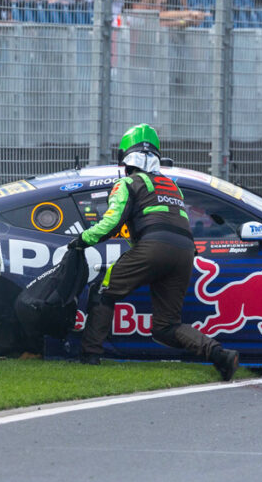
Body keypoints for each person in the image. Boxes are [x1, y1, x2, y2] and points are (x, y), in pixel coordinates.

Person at [70, 124, 240, 381]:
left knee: (104, 291)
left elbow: (111, 223)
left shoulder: (127, 183)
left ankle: (89, 356)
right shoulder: (172, 186)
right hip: (185, 253)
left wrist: (82, 240)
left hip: (153, 247)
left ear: (126, 159)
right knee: (166, 327)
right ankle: (220, 355)